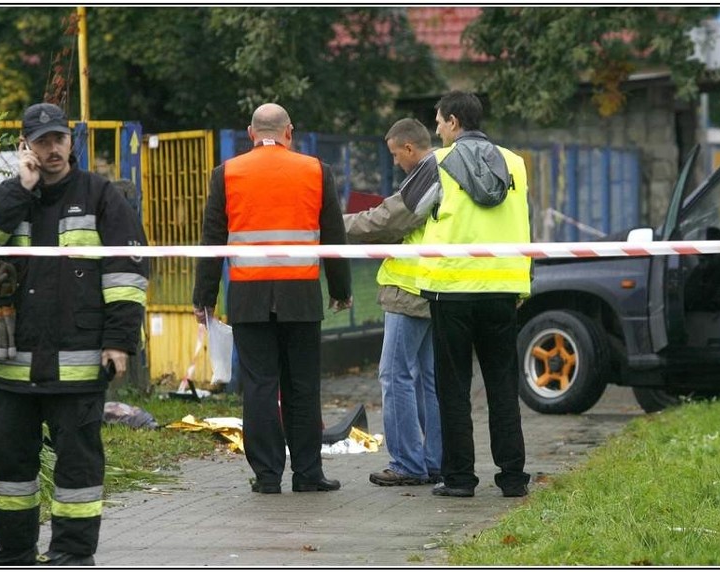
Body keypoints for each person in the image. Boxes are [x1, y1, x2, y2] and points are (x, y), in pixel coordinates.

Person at [0, 102, 149, 566]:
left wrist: (119, 342)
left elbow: (126, 273)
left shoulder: (101, 195)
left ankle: (72, 551)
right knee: (8, 459)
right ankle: (13, 547)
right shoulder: (10, 196)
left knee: (78, 461)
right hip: (14, 361)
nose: (52, 149)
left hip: (79, 358)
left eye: (59, 139)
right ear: (25, 147)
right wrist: (21, 187)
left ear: (71, 142)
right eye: (42, 141)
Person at [347, 92, 532, 498]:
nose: (436, 129)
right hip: (503, 288)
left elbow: (399, 214)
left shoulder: (440, 164)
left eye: (438, 122)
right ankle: (513, 478)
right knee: (503, 387)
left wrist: (335, 227)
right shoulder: (515, 163)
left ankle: (460, 479)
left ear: (452, 122)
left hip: (452, 291)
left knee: (453, 389)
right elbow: (524, 224)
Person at [192, 103, 352, 495]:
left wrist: (204, 299)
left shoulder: (226, 174)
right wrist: (341, 290)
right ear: (289, 131)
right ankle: (308, 473)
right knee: (303, 385)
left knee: (261, 385)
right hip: (300, 295)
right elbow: (333, 235)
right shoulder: (316, 171)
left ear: (250, 133)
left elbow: (212, 240)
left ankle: (267, 476)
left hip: (249, 296)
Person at [344, 118, 442, 486]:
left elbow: (387, 220)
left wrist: (336, 225)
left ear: (409, 149)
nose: (395, 162)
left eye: (395, 155)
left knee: (395, 376)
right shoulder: (443, 171)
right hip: (433, 287)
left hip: (408, 291)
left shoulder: (426, 173)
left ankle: (407, 463)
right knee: (429, 380)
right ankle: (434, 461)